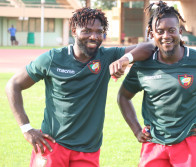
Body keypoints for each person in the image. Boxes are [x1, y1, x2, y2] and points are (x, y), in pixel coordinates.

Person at [5, 7, 154, 167]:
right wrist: (26, 128)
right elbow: (13, 85)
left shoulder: (106, 57)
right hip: (52, 145)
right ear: (74, 30)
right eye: (87, 31)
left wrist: (125, 59)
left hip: (88, 150)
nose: (94, 37)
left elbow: (149, 47)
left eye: (99, 32)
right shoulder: (53, 59)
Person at [117, 1, 196, 167]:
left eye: (171, 30)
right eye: (160, 31)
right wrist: (137, 130)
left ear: (180, 32)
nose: (166, 35)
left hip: (188, 143)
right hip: (153, 143)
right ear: (152, 35)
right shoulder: (143, 65)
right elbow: (123, 96)